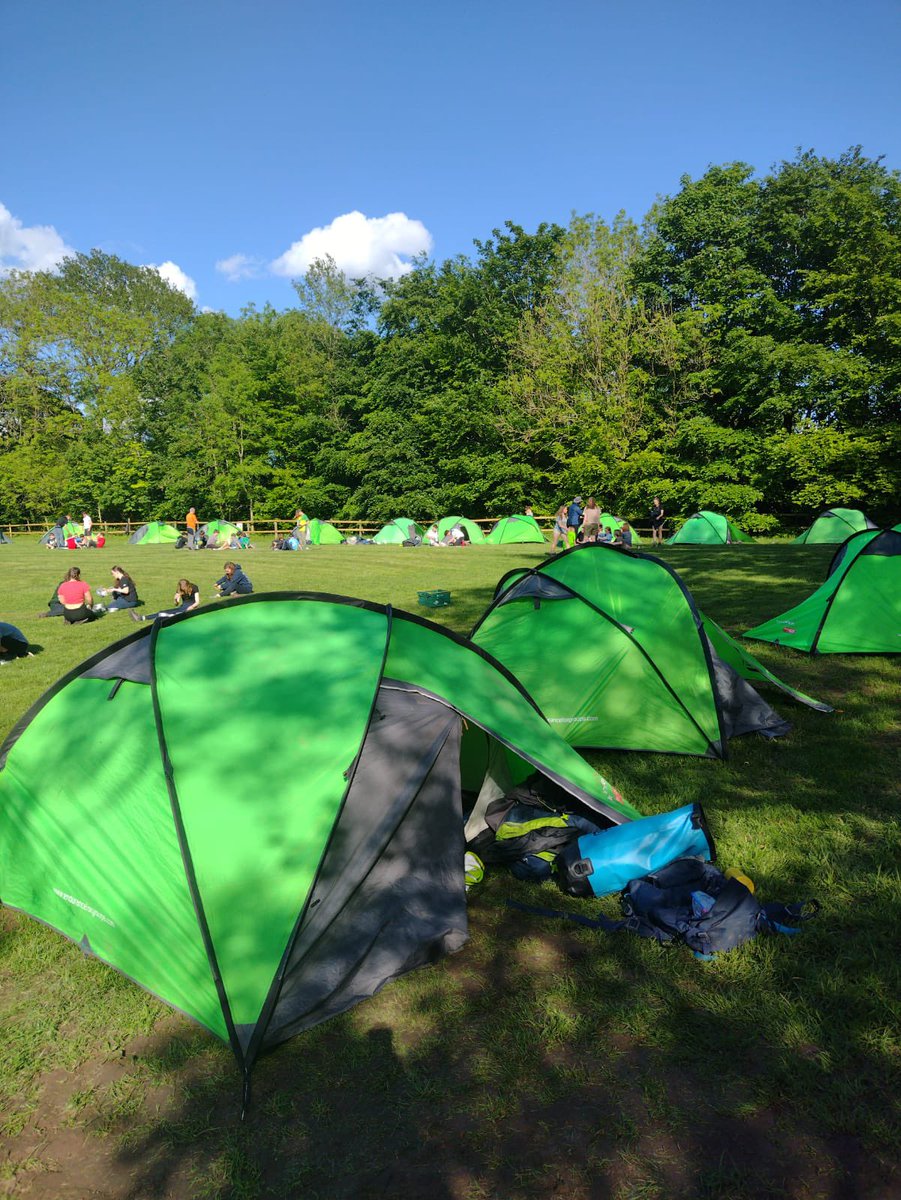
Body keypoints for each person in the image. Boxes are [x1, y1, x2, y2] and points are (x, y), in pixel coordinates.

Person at [132, 578, 200, 623]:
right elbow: (176, 604)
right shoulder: (179, 590)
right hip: (183, 606)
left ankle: (145, 618)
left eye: (184, 588)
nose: (183, 590)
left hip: (191, 607)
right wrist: (175, 599)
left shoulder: (194, 587)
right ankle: (142, 618)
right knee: (162, 612)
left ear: (188, 585)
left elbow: (197, 602)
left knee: (167, 614)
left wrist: (191, 608)